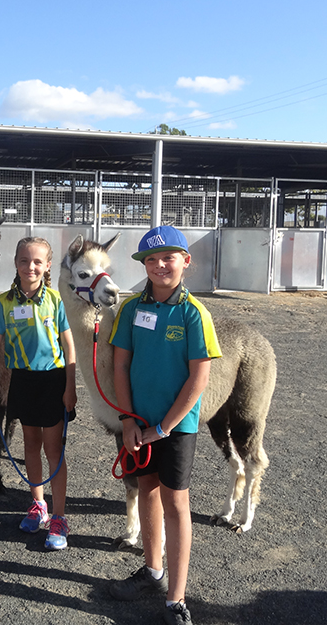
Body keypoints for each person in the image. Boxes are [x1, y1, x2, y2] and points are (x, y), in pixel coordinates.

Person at [107, 226, 221, 625]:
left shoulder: (194, 314)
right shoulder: (132, 309)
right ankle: (152, 572)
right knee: (147, 493)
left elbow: (198, 380)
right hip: (137, 423)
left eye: (167, 258)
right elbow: (120, 363)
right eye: (150, 260)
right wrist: (127, 419)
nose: (158, 265)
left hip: (176, 428)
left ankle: (176, 599)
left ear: (185, 261)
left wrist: (164, 427)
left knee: (176, 503)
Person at [0, 236, 77, 550]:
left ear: (46, 267)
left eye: (37, 262)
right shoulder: (3, 303)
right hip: (23, 382)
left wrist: (70, 388)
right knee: (31, 444)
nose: (30, 266)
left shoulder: (56, 300)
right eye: (23, 260)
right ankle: (38, 505)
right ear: (15, 263)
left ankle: (58, 517)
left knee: (53, 450)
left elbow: (69, 346)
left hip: (53, 381)